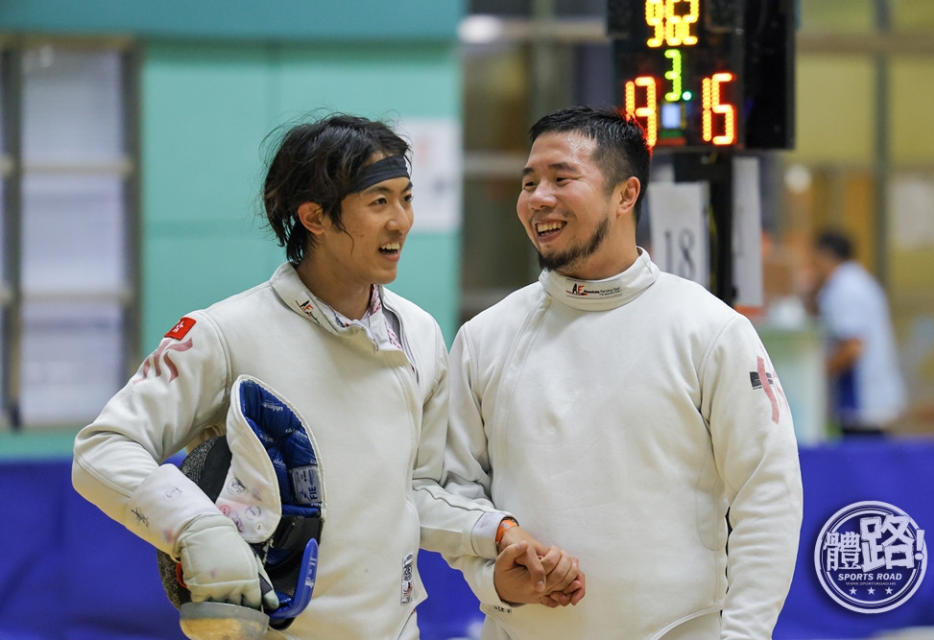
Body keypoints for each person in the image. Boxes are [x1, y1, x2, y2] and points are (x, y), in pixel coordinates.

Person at [72, 114, 577, 640]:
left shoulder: (419, 334)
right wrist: (197, 528)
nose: (400, 221)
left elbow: (417, 492)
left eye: (406, 198)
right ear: (314, 217)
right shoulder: (224, 333)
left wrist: (497, 532)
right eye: (378, 201)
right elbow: (102, 449)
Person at [441, 106, 803, 639]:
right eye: (529, 182)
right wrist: (495, 579)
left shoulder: (708, 329)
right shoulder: (485, 338)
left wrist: (745, 635)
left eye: (562, 178)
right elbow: (455, 489)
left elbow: (767, 493)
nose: (539, 198)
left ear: (625, 194)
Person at [811, 229, 906, 437]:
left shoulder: (845, 288)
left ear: (824, 255)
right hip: (872, 401)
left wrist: (813, 375)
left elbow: (852, 348)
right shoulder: (858, 281)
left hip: (862, 403)